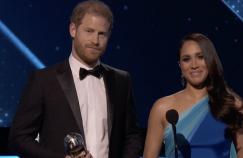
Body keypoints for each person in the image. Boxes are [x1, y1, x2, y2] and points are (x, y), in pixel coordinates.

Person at [9, 0, 143, 158]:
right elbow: (19, 138)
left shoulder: (121, 80)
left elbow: (132, 136)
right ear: (73, 29)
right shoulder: (43, 80)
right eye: (89, 31)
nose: (95, 40)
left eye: (102, 34)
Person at [143, 33, 243, 158]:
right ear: (180, 65)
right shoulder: (161, 108)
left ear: (210, 60)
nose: (194, 65)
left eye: (201, 57)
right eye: (186, 59)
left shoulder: (233, 105)